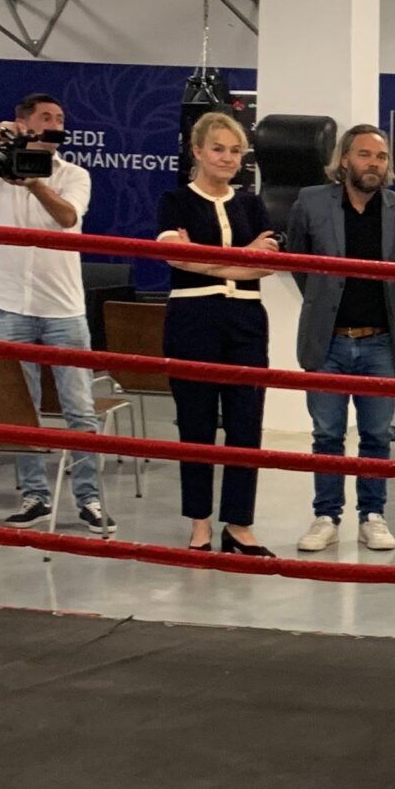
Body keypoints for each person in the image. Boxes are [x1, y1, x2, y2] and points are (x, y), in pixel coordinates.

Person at [0, 94, 115, 537]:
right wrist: (4, 133)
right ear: (25, 123)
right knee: (21, 409)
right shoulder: (0, 170)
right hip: (9, 302)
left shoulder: (75, 174)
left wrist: (35, 183)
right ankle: (34, 495)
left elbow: (68, 217)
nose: (55, 124)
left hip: (63, 307)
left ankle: (89, 499)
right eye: (45, 117)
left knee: (80, 409)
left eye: (60, 118)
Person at [279, 126, 395, 555]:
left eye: (381, 157)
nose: (373, 164)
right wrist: (323, 301)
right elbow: (298, 263)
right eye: (364, 155)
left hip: (380, 341)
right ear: (344, 159)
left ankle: (372, 515)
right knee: (327, 434)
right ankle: (326, 516)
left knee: (377, 435)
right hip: (327, 340)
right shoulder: (311, 202)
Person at [156, 113, 280, 557]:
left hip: (246, 319)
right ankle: (200, 524)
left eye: (235, 150)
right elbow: (174, 257)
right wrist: (242, 256)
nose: (227, 158)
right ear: (198, 151)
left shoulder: (252, 204)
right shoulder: (175, 200)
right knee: (196, 422)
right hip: (192, 317)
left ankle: (240, 525)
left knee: (246, 422)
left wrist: (203, 257)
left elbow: (267, 264)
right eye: (218, 149)